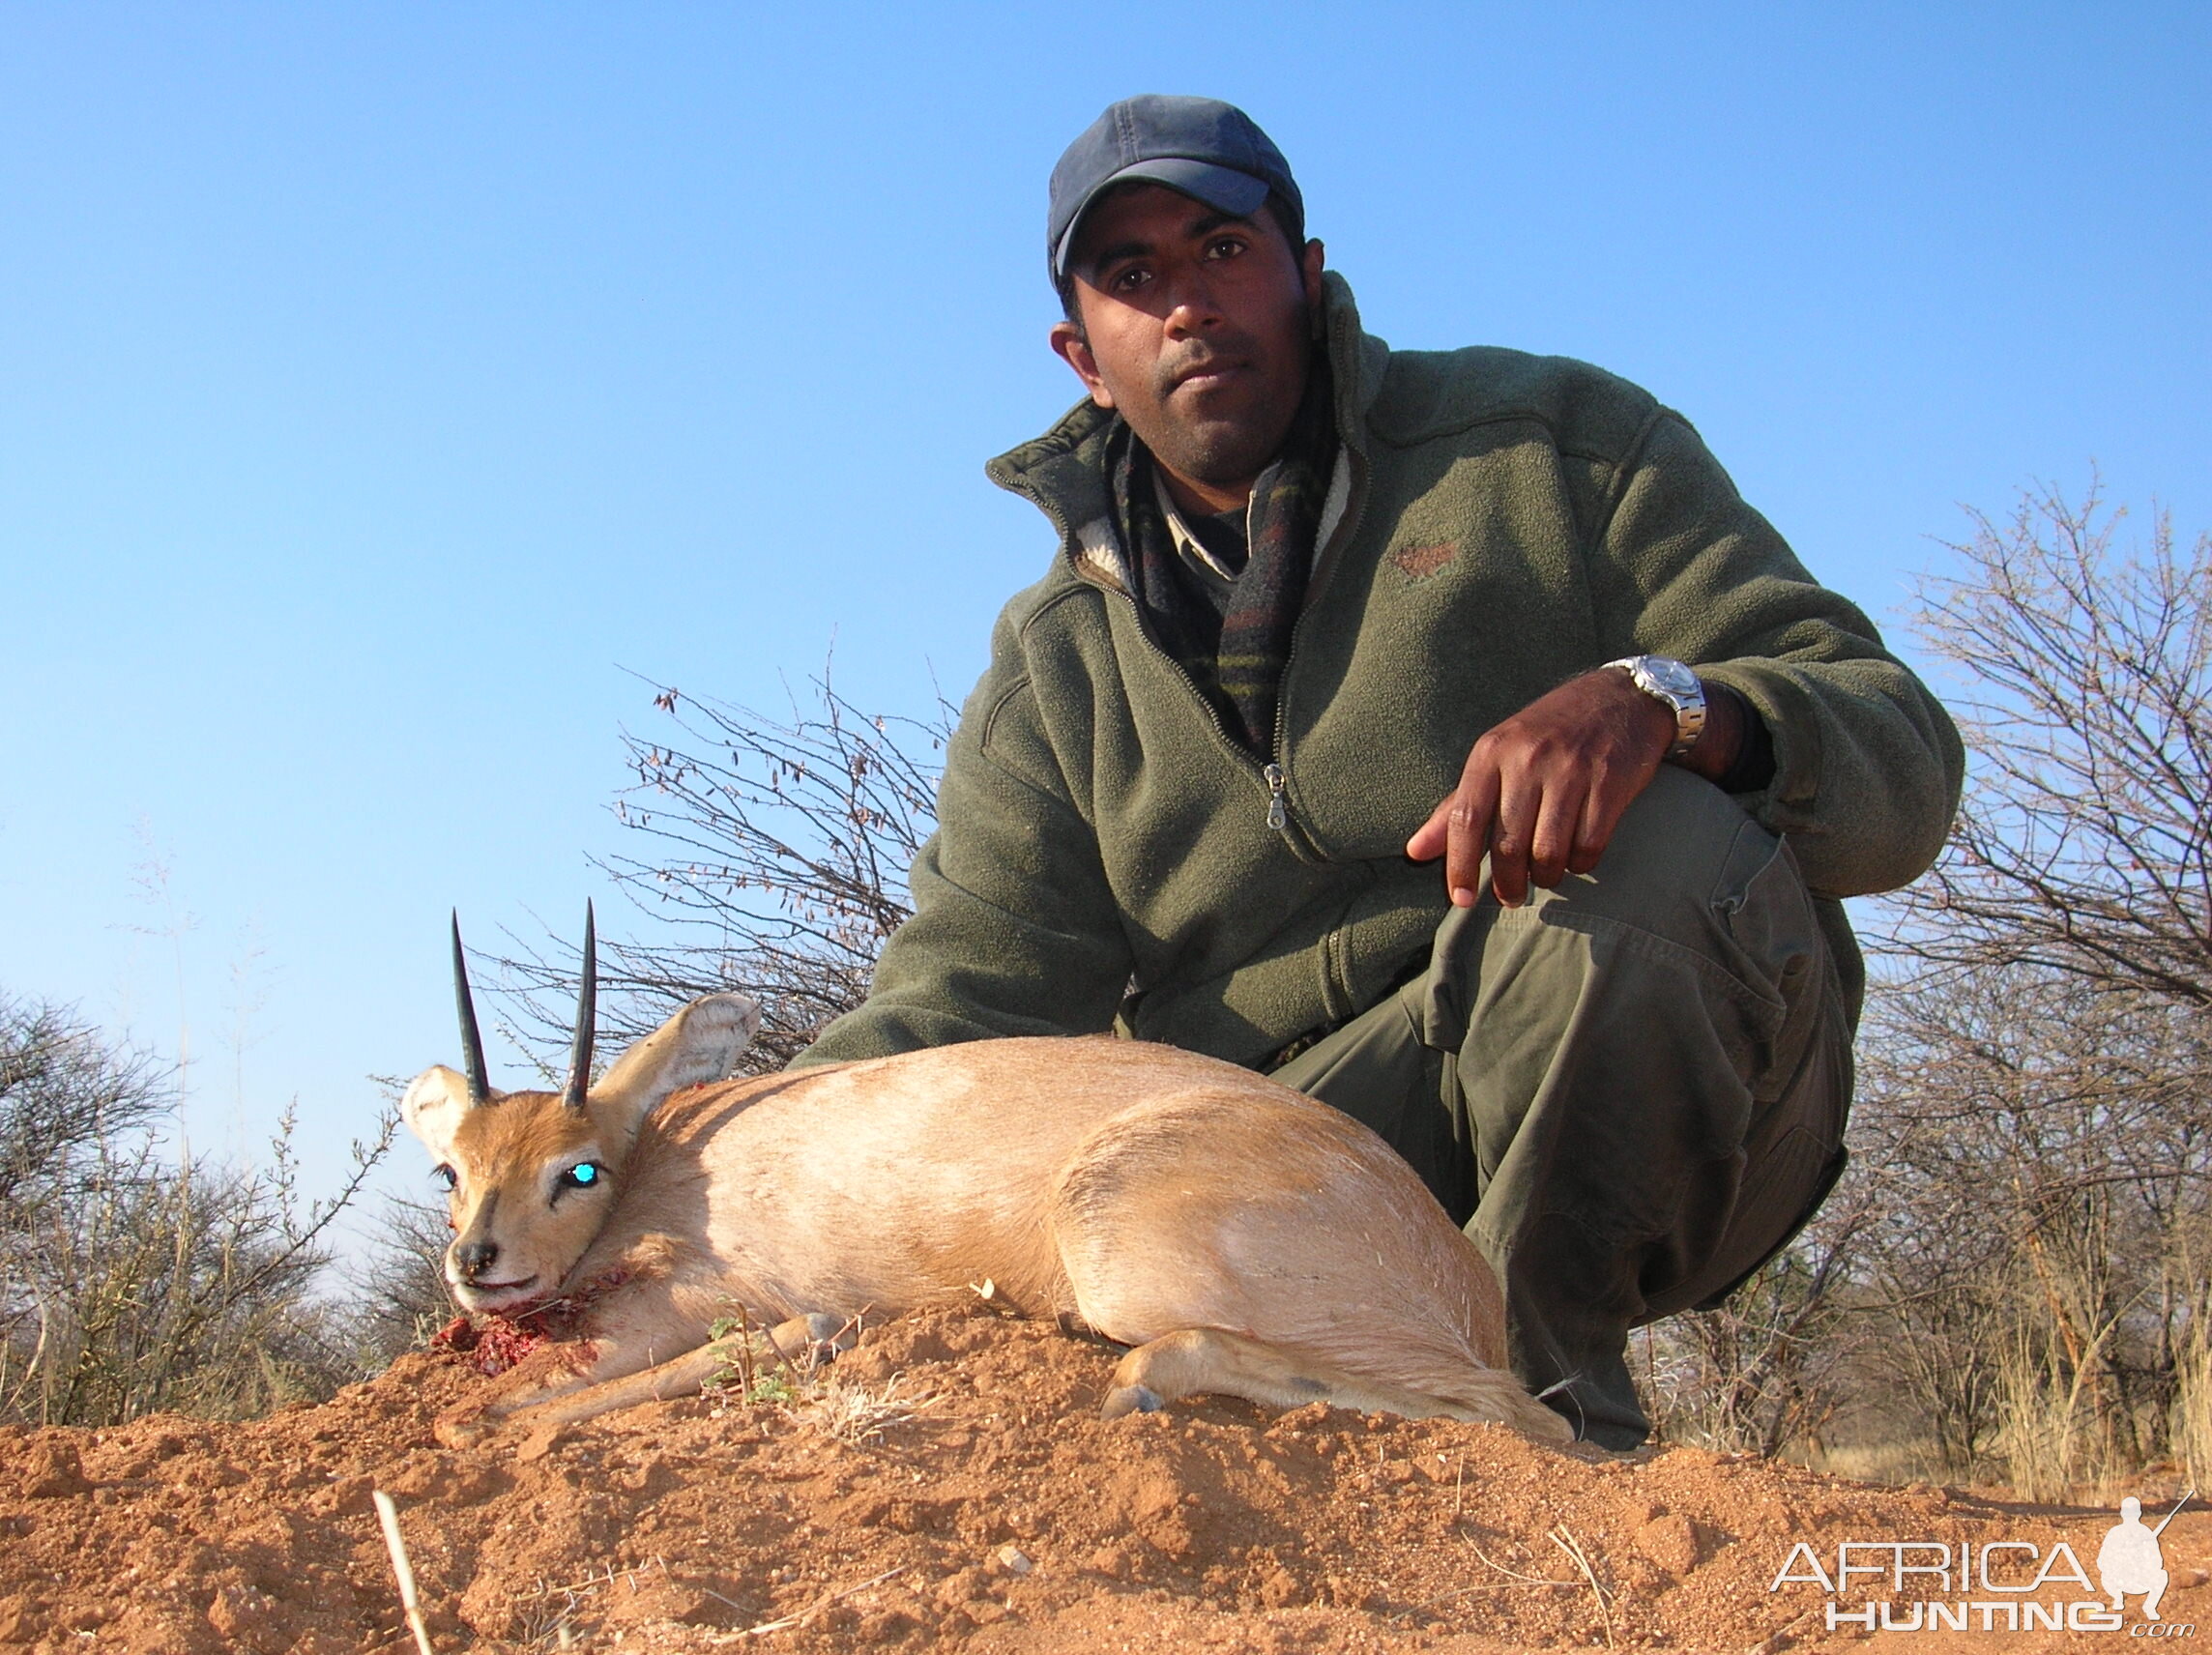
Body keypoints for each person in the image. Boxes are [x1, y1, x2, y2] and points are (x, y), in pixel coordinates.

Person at [794, 95, 1963, 1446]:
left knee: (1654, 859)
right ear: (1083, 357)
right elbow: (958, 1004)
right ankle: (1342, 1429)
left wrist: (1666, 703)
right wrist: (665, 1163)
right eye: (1133, 277)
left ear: (1308, 270)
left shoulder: (1556, 447)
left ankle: (1540, 1428)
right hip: (1282, 1164)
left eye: (1224, 248)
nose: (1187, 305)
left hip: (1660, 1093)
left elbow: (1904, 762)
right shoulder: (1055, 657)